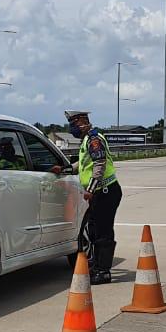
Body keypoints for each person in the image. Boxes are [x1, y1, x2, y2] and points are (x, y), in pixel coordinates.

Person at [61, 110, 121, 284]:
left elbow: (99, 163)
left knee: (103, 232)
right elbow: (84, 163)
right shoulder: (87, 139)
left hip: (105, 192)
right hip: (100, 193)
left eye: (74, 124)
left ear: (82, 121)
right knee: (94, 231)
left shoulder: (94, 139)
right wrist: (66, 169)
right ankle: (97, 266)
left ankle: (104, 271)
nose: (72, 128)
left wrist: (91, 189)